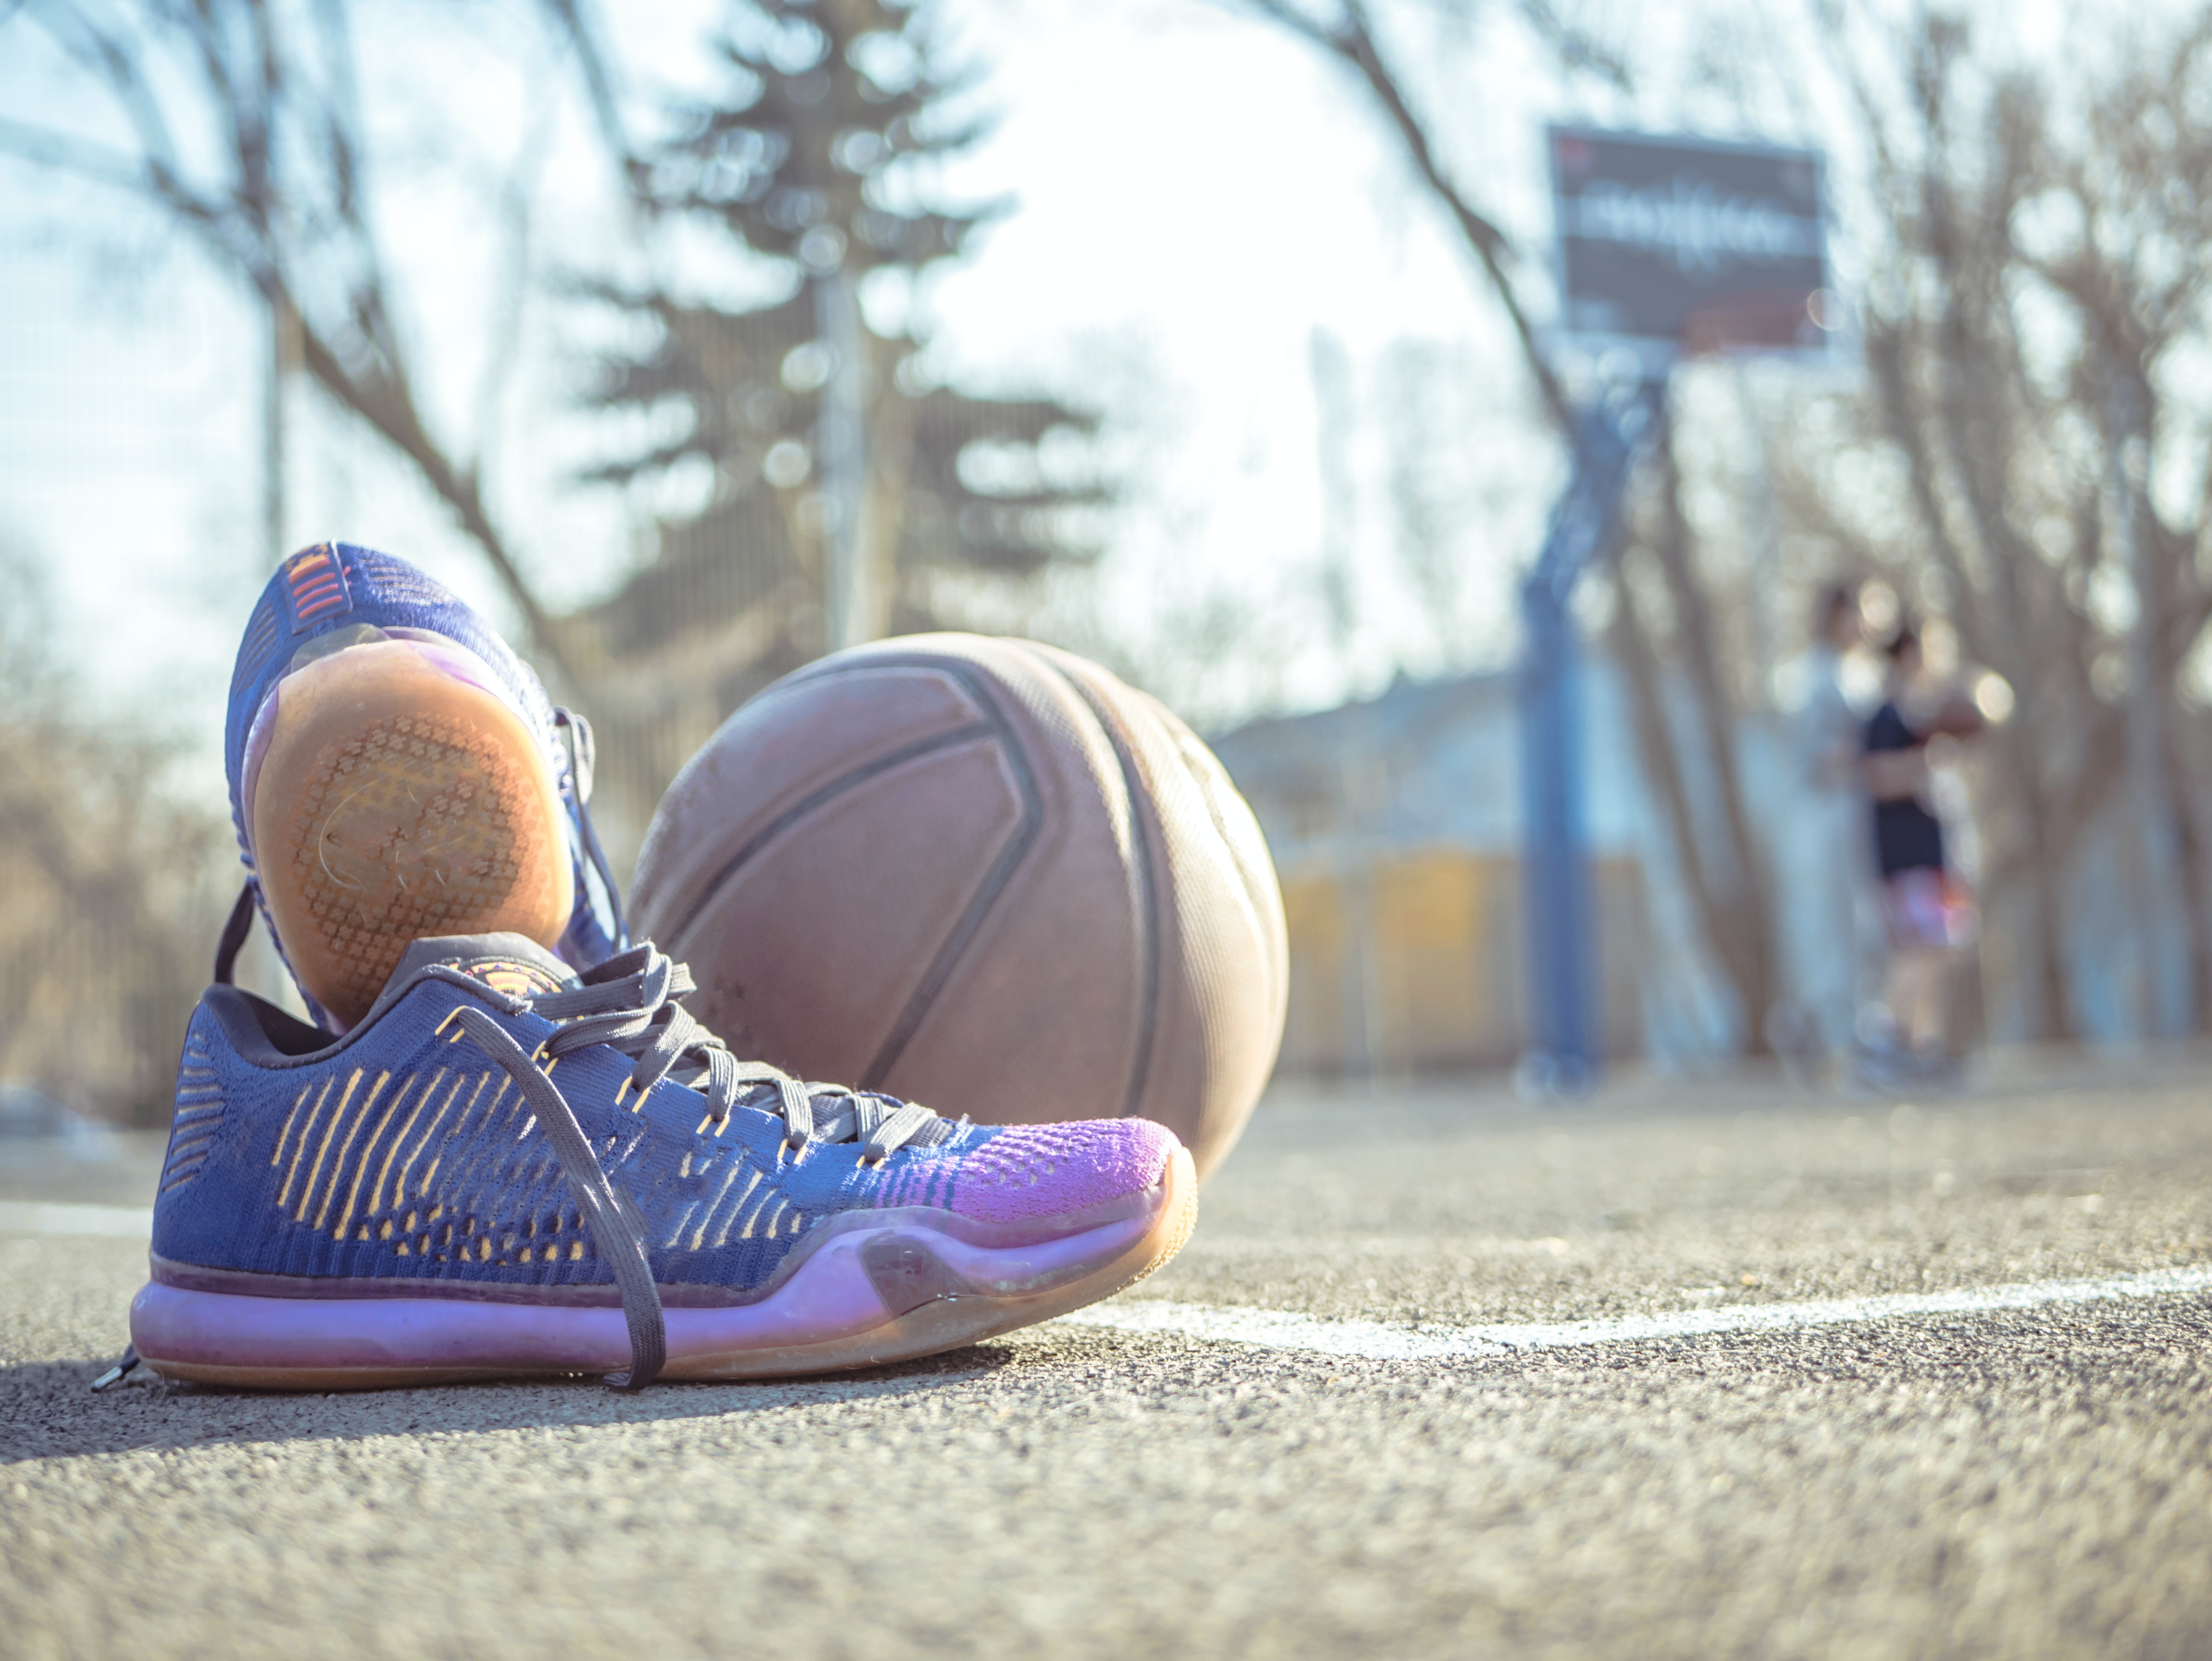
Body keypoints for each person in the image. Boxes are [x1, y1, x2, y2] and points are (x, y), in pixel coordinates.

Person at [1859, 619, 1983, 1081]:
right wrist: (1925, 763)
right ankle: (1885, 1039)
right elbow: (1876, 776)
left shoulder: (1923, 717)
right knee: (1919, 948)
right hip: (1905, 855)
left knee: (1939, 949)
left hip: (1933, 854)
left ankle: (1921, 1048)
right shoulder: (1887, 718)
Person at [1772, 581, 1873, 1066]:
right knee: (1831, 928)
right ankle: (1817, 1028)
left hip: (1850, 813)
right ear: (1836, 615)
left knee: (1856, 928)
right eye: (1860, 612)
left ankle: (1832, 1028)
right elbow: (1819, 758)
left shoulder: (1857, 674)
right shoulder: (1814, 677)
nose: (1868, 624)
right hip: (1823, 815)